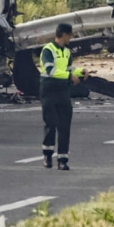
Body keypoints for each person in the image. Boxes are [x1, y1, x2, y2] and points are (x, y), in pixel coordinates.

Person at [40, 23, 87, 170]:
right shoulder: (48, 50)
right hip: (49, 89)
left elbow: (69, 68)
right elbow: (50, 70)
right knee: (51, 123)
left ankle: (62, 159)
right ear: (64, 35)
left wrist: (80, 72)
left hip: (63, 90)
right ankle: (47, 155)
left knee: (64, 125)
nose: (70, 38)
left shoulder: (67, 52)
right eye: (70, 35)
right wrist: (69, 76)